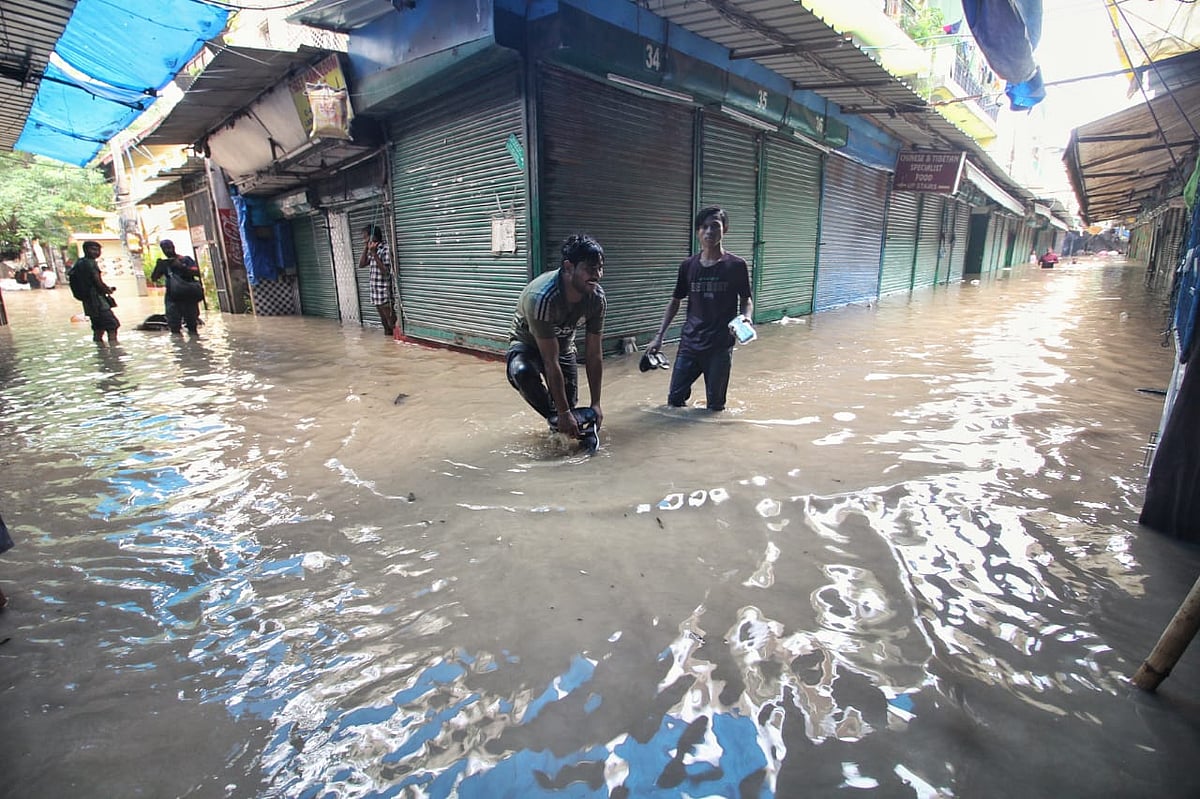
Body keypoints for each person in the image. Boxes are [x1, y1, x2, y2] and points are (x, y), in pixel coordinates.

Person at [646, 205, 753, 412]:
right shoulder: (688, 266)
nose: (709, 232)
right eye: (704, 227)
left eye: (715, 226)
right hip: (689, 345)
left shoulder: (736, 265)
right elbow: (675, 301)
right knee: (674, 401)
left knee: (715, 408)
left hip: (720, 347)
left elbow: (746, 299)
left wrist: (746, 318)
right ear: (698, 232)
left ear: (725, 229)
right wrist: (659, 337)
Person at [506, 233, 606, 448]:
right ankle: (556, 421)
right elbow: (549, 361)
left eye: (600, 268)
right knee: (522, 373)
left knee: (570, 409)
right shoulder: (542, 297)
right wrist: (562, 413)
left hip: (563, 346)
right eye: (590, 269)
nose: (597, 275)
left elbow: (594, 354)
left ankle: (561, 427)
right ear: (569, 267)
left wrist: (596, 404)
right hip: (528, 346)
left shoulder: (596, 299)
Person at [67, 240, 119, 345]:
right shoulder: (90, 263)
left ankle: (101, 351)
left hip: (88, 302)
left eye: (98, 250)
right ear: (86, 250)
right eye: (93, 249)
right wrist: (107, 290)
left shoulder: (79, 262)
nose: (96, 252)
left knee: (98, 328)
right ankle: (114, 350)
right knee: (112, 325)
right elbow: (97, 282)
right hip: (97, 301)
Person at [150, 239, 203, 336]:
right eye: (165, 249)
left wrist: (181, 266)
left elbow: (198, 273)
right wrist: (159, 267)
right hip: (172, 298)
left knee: (192, 325)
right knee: (174, 326)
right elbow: (154, 278)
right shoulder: (165, 264)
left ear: (173, 247)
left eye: (169, 247)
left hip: (188, 296)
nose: (168, 251)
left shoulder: (186, 260)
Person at [358, 225, 398, 336]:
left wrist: (375, 254)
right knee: (384, 324)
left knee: (391, 323)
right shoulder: (371, 249)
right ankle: (389, 346)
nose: (363, 240)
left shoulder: (385, 249)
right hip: (375, 293)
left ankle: (396, 341)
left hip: (384, 292)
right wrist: (367, 248)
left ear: (373, 236)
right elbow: (361, 264)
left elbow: (386, 272)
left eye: (365, 237)